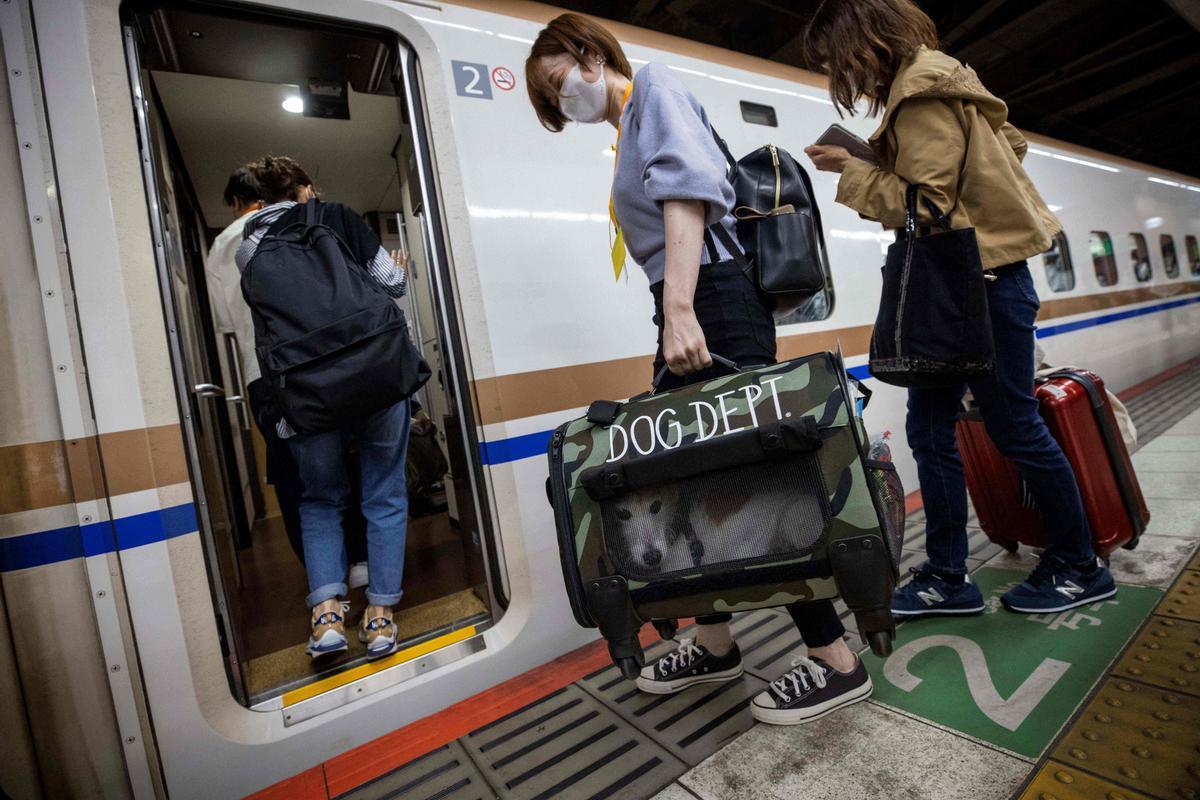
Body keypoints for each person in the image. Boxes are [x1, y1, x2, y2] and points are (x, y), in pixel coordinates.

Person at [525, 13, 872, 725]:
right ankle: (716, 641)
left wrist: (681, 308)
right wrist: (672, 309)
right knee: (688, 473)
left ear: (589, 54)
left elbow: (689, 196)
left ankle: (837, 660)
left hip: (712, 296)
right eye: (552, 100)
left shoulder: (655, 87)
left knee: (758, 475)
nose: (565, 103)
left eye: (560, 83)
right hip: (691, 298)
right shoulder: (628, 130)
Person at [803, 0, 1115, 616]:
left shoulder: (917, 93)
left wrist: (851, 170)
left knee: (1013, 428)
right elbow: (1007, 152)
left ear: (862, 42)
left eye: (840, 60)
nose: (845, 77)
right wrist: (887, 161)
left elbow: (927, 204)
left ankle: (1078, 564)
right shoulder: (948, 83)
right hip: (974, 284)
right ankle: (948, 575)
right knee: (932, 430)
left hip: (978, 288)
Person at [234, 155, 412, 659]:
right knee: (384, 493)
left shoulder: (249, 250)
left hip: (306, 390)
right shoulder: (337, 217)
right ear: (306, 190)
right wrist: (395, 268)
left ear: (263, 200)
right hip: (375, 377)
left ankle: (327, 617)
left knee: (319, 499)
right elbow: (391, 286)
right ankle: (379, 618)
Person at [205, 168, 371, 589]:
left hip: (264, 376)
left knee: (296, 479)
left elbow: (225, 323)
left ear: (245, 200)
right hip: (321, 363)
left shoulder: (224, 244)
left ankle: (323, 581)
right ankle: (360, 563)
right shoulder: (304, 221)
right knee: (346, 461)